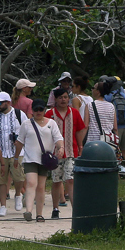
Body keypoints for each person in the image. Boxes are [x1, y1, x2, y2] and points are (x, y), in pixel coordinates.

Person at [14, 100, 64, 223]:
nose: (38, 112)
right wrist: (16, 157)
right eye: (35, 110)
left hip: (45, 160)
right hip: (30, 159)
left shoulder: (51, 123)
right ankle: (29, 211)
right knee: (31, 183)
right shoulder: (26, 124)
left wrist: (61, 148)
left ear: (44, 110)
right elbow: (19, 142)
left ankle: (39, 214)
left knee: (41, 187)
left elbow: (58, 138)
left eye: (40, 109)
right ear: (32, 110)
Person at [44, 88, 85, 217]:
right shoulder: (49, 114)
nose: (63, 100)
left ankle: (75, 210)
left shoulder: (74, 113)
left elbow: (79, 130)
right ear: (55, 99)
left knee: (71, 180)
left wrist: (80, 145)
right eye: (60, 97)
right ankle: (55, 209)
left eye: (65, 97)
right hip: (55, 154)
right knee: (56, 180)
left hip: (71, 151)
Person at [0, 92, 26, 216]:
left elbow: (27, 130)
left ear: (7, 103)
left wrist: (20, 140)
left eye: (0, 103)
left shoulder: (19, 115)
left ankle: (18, 194)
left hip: (17, 151)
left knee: (19, 176)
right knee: (0, 180)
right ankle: (3, 205)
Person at [106, 77, 125, 174]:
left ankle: (116, 174)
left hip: (115, 126)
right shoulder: (124, 96)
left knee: (114, 151)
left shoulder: (108, 97)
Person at [82, 79, 117, 145]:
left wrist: (80, 143)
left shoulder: (90, 105)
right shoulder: (111, 106)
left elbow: (86, 126)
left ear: (98, 91)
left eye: (93, 88)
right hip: (108, 142)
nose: (92, 90)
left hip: (93, 141)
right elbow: (115, 127)